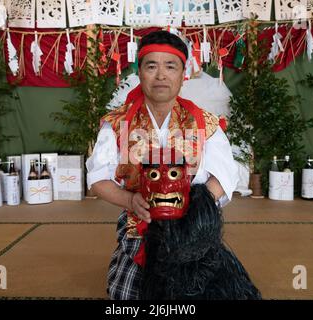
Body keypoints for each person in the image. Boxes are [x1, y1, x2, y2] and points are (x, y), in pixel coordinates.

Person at [86, 30, 240, 300]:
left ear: (183, 74)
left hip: (192, 231)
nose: (161, 75)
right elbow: (97, 179)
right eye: (151, 66)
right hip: (139, 226)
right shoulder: (117, 123)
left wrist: (196, 210)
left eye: (170, 66)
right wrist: (130, 200)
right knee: (126, 295)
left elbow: (223, 175)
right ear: (140, 73)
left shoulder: (205, 123)